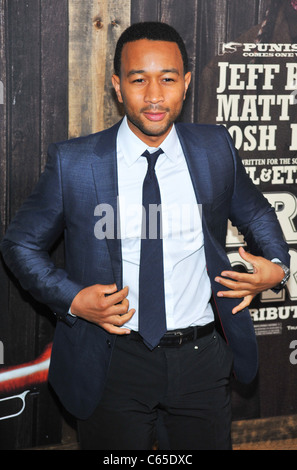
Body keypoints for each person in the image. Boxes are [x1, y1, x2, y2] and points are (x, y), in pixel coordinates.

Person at [1, 22, 290, 450]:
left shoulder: (215, 148)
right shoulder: (75, 163)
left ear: (186, 83)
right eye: (138, 79)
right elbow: (20, 243)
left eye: (168, 79)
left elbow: (259, 212)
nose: (154, 96)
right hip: (113, 359)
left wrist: (277, 267)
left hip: (201, 358)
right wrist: (74, 300)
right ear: (118, 86)